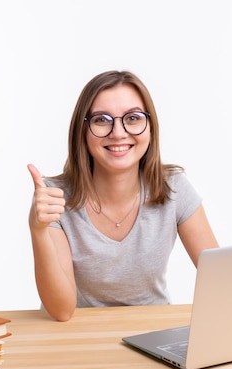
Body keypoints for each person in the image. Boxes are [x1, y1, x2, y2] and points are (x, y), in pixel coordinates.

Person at [27, 70, 219, 322]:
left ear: (150, 127)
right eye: (102, 120)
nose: (118, 132)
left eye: (133, 118)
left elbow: (222, 282)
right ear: (82, 131)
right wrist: (37, 229)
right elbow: (62, 310)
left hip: (152, 330)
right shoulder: (54, 198)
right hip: (79, 335)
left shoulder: (174, 188)